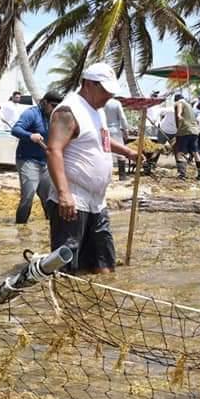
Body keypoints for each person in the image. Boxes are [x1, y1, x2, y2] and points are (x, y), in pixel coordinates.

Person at [45, 63, 137, 274]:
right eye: (105, 91)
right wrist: (64, 194)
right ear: (88, 84)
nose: (108, 96)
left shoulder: (98, 111)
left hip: (97, 201)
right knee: (67, 268)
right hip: (73, 200)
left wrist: (127, 152)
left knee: (104, 266)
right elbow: (53, 150)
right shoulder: (68, 111)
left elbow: (101, 140)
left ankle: (99, 304)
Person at [11, 90, 63, 224]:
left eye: (58, 106)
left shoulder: (55, 116)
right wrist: (30, 136)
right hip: (28, 160)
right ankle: (21, 227)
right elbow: (15, 129)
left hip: (46, 162)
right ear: (45, 102)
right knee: (28, 196)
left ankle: (49, 227)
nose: (55, 109)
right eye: (53, 105)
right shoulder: (31, 113)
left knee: (49, 199)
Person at [104, 96, 131, 181]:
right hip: (115, 130)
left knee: (106, 153)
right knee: (121, 154)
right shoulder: (116, 103)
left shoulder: (101, 102)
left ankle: (106, 177)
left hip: (104, 130)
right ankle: (122, 176)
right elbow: (122, 118)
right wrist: (126, 129)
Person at [173, 93, 200, 179]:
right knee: (195, 153)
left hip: (185, 131)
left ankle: (182, 175)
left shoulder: (179, 103)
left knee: (180, 153)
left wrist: (179, 115)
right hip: (194, 131)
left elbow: (179, 110)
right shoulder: (189, 105)